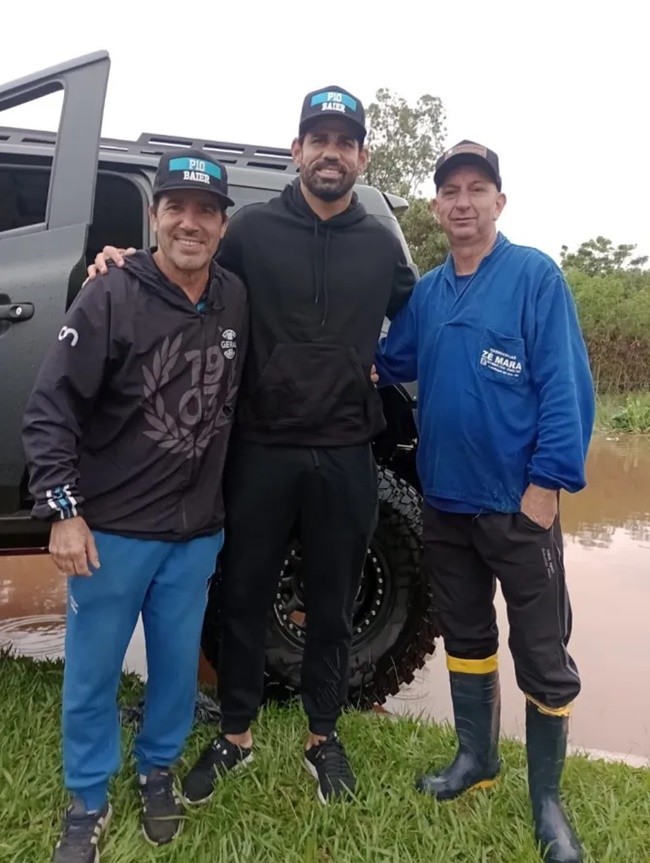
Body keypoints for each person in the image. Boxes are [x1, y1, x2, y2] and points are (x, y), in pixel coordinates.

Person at [86, 86, 416, 805]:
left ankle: (322, 734)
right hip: (260, 448)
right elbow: (182, 261)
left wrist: (384, 365)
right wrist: (119, 260)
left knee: (332, 604)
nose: (330, 152)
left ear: (361, 156)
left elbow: (422, 321)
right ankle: (235, 732)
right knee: (241, 597)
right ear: (297, 151)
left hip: (345, 451)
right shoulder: (255, 230)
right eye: (317, 138)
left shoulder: (380, 245)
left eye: (344, 140)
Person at [22, 149, 248, 862]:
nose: (190, 221)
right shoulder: (111, 291)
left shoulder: (236, 297)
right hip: (112, 533)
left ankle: (157, 768)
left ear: (221, 225)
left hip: (195, 534)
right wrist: (63, 508)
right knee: (92, 671)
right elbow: (49, 408)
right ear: (154, 217)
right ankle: (88, 797)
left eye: (205, 210)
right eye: (175, 207)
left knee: (178, 666)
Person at [374, 140, 594, 863]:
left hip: (518, 505)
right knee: (466, 637)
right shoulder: (431, 292)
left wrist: (547, 484)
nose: (462, 201)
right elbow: (389, 357)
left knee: (543, 655)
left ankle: (549, 803)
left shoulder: (534, 278)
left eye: (477, 188)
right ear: (436, 209)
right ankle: (477, 760)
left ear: (500, 200)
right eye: (450, 191)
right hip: (445, 504)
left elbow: (566, 388)